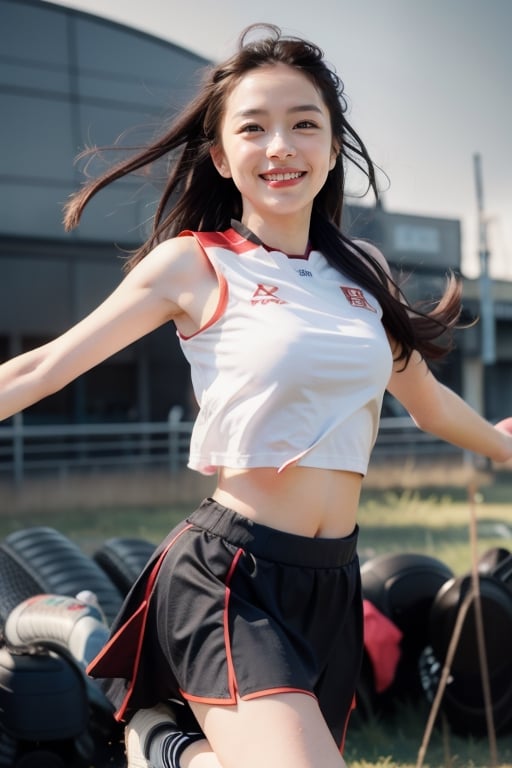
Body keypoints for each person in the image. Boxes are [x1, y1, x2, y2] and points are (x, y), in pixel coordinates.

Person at [1, 23, 511, 768]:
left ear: (333, 148)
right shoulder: (194, 265)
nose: (281, 146)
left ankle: (167, 748)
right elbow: (40, 369)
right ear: (221, 155)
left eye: (305, 125)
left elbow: (428, 401)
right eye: (254, 128)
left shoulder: (363, 268)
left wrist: (503, 443)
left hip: (332, 583)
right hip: (230, 573)